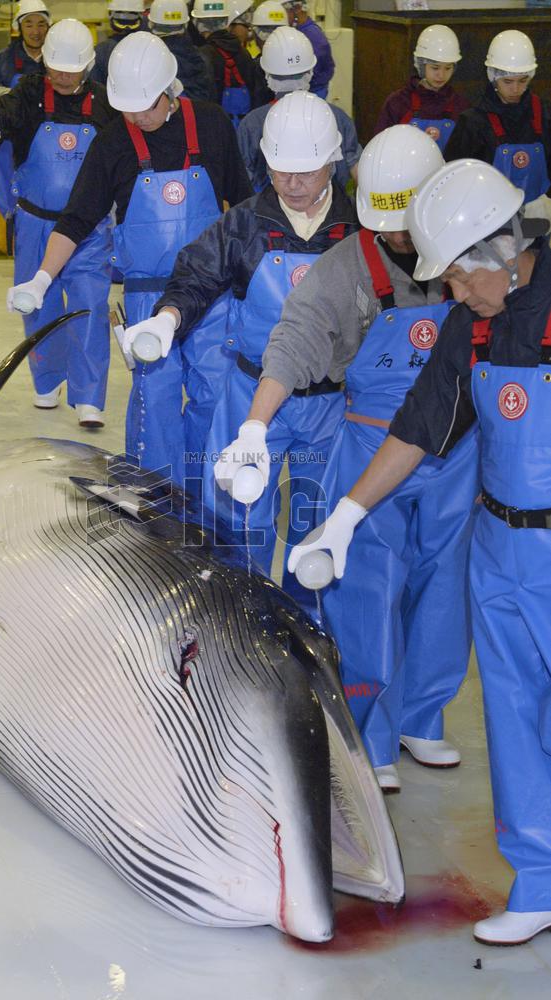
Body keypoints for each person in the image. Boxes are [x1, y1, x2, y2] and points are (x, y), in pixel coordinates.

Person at [287, 158, 551, 946]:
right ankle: (538, 880)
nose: (450, 294)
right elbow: (417, 423)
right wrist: (342, 518)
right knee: (509, 719)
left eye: (460, 280)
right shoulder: (470, 327)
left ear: (500, 254)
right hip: (500, 550)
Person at [215, 127, 470, 781]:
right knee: (366, 588)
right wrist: (253, 426)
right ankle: (370, 734)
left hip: (452, 451)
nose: (397, 240)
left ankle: (421, 717)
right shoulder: (346, 266)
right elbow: (294, 340)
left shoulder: (476, 250)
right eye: (386, 227)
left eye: (407, 228)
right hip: (369, 444)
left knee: (443, 586)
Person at [129, 92, 355, 605]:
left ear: (332, 163)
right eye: (281, 171)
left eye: (306, 172)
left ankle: (307, 633)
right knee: (235, 521)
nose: (292, 184)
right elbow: (196, 274)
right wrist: (168, 318)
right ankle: (239, 626)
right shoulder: (245, 224)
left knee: (317, 526)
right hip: (250, 394)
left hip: (331, 403)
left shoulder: (358, 231)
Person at [6, 31, 252, 481]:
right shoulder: (115, 142)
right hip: (146, 299)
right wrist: (41, 278)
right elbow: (78, 218)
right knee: (154, 398)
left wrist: (251, 282)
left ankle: (205, 497)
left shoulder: (214, 124)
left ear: (169, 89)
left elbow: (243, 206)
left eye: (146, 106)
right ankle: (158, 499)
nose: (137, 117)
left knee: (215, 392)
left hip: (212, 296)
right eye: (127, 107)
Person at [0, 19, 115, 428]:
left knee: (89, 305)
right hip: (35, 224)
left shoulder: (106, 104)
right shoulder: (31, 92)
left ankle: (89, 396)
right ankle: (47, 379)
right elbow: (1, 114)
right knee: (39, 306)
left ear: (87, 66)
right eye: (55, 68)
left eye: (72, 69)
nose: (63, 76)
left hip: (88, 230)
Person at [237, 26, 361, 192]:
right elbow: (358, 171)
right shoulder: (337, 117)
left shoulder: (252, 124)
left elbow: (243, 182)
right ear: (310, 71)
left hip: (270, 214)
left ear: (267, 74)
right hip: (329, 212)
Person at [444, 30, 551, 212]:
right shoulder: (473, 122)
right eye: (508, 82)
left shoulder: (545, 113)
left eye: (523, 80)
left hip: (541, 216)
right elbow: (454, 180)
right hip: (489, 221)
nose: (516, 89)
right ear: (493, 77)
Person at [0, 0, 50, 229]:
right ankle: (13, 230)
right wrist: (17, 95)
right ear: (19, 27)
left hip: (45, 135)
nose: (35, 31)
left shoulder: (56, 57)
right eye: (29, 24)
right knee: (7, 183)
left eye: (41, 24)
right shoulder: (4, 58)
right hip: (11, 135)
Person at [374, 23, 468, 153]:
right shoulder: (398, 102)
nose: (441, 75)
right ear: (420, 65)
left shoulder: (461, 105)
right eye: (435, 68)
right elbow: (379, 149)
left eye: (448, 68)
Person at [191, 0, 268, 125]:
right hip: (243, 125)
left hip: (216, 127)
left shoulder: (203, 56)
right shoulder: (244, 53)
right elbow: (257, 93)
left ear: (198, 24)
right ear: (226, 21)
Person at [148, 0, 216, 102]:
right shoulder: (201, 56)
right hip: (195, 114)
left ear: (151, 24)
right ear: (185, 25)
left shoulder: (148, 58)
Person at [281, 0, 333, 99]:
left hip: (312, 93)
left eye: (285, 12)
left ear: (297, 9)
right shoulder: (302, 31)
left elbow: (312, 72)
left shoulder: (312, 35)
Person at [91, 0, 147, 86]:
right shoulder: (150, 47)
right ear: (141, 16)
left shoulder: (100, 51)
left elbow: (95, 87)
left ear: (111, 15)